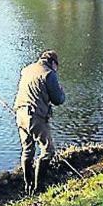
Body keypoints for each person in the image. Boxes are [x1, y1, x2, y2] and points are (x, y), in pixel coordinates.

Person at [13, 50, 66, 195]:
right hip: (35, 117)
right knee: (48, 150)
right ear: (53, 63)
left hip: (20, 114)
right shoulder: (49, 73)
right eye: (57, 66)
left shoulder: (27, 70)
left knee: (28, 150)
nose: (56, 69)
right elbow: (57, 100)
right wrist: (62, 92)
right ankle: (38, 188)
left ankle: (28, 185)